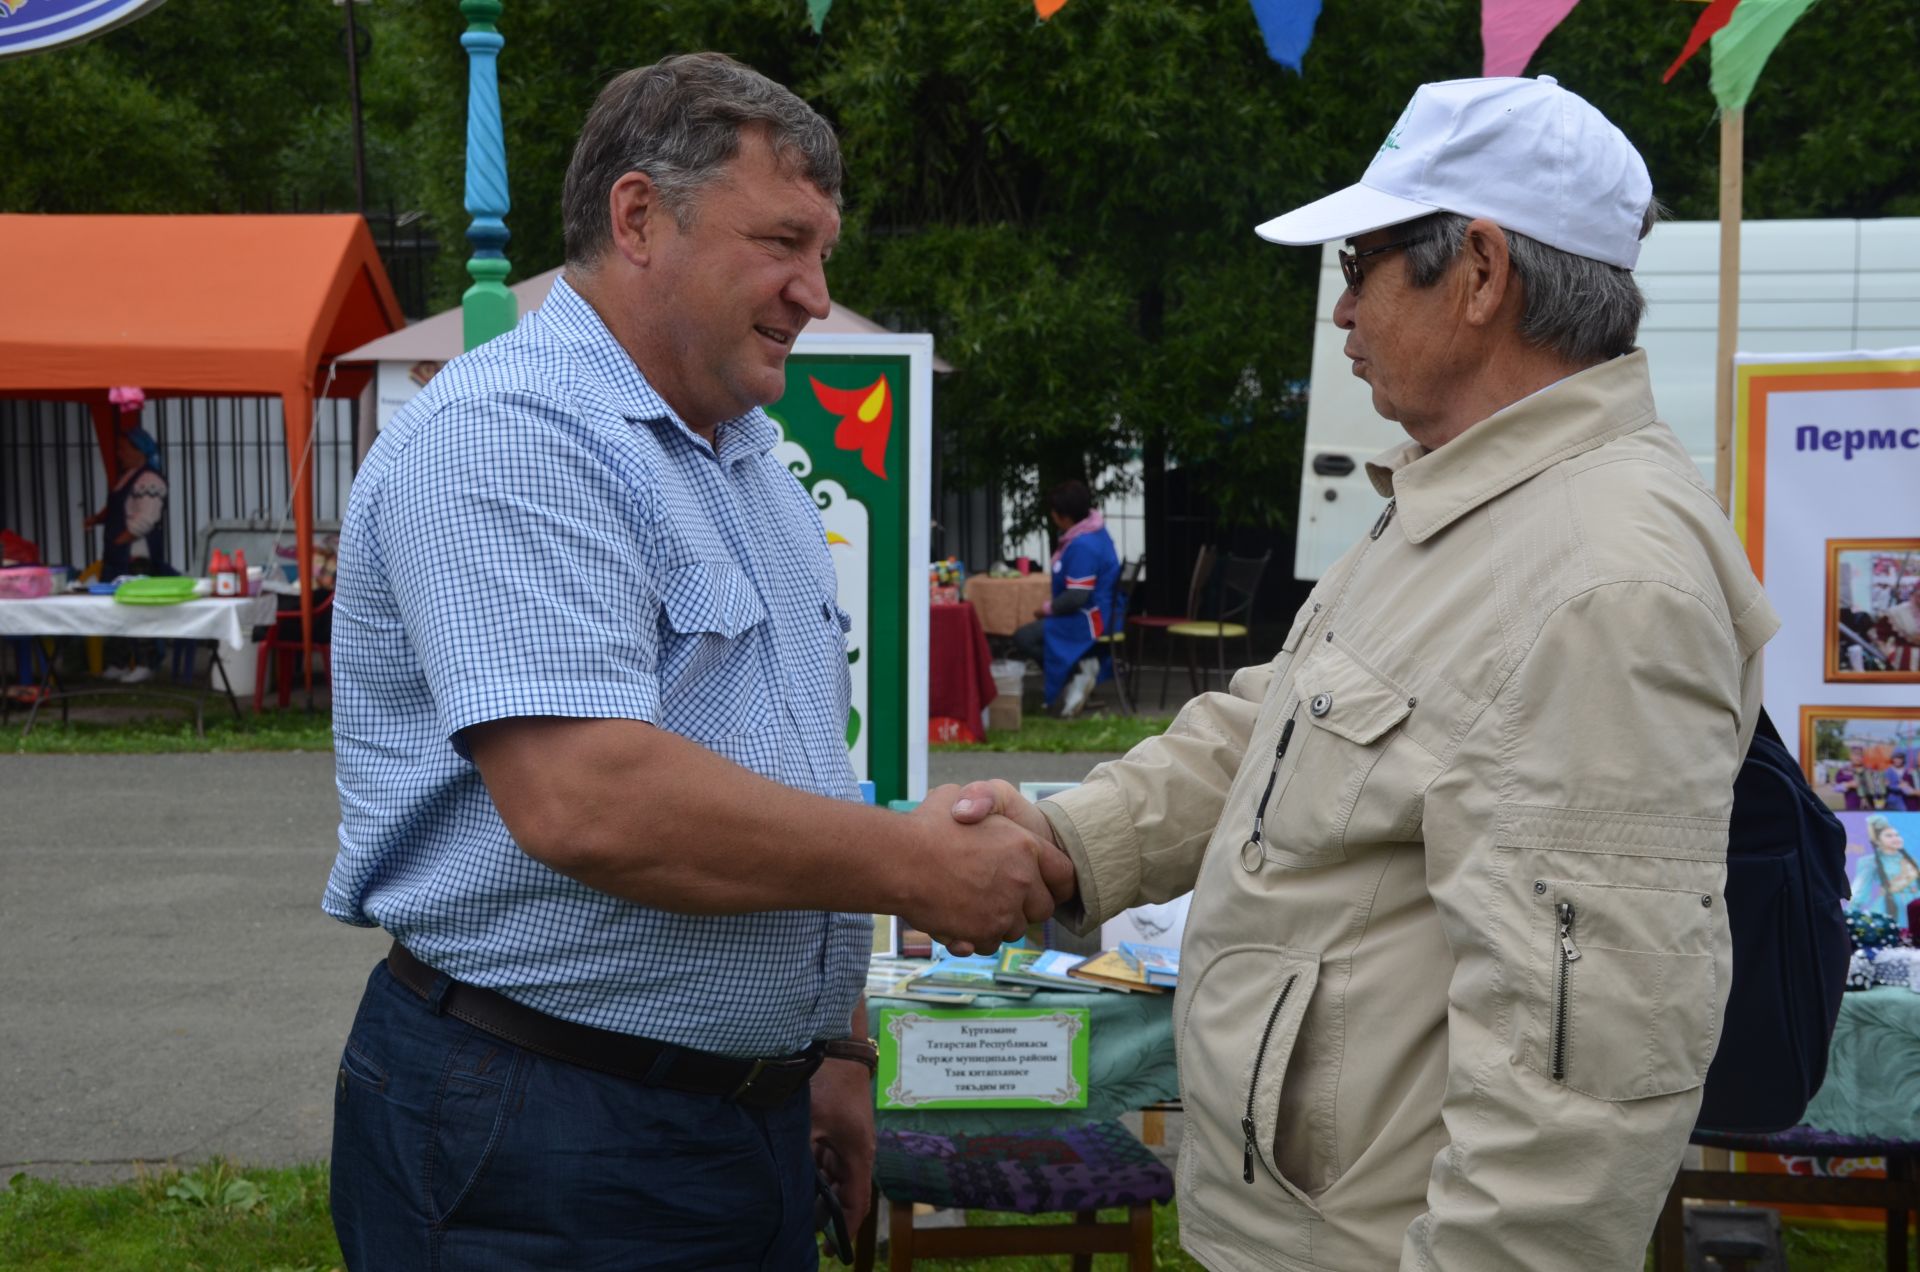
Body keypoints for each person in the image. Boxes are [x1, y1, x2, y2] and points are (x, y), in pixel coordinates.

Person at [950, 75, 1778, 1270]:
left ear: (1483, 274)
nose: (1341, 312)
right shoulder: (1477, 499)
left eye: (1360, 263)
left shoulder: (1604, 579)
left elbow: (1582, 1088)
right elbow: (1276, 722)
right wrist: (1067, 841)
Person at [323, 53, 1071, 1271]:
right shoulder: (505, 436)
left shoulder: (745, 465)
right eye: (784, 242)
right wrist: (912, 869)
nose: (815, 295)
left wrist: (825, 1046)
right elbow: (589, 798)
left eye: (822, 252)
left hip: (726, 1117)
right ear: (637, 218)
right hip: (542, 1123)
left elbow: (790, 773)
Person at [1011, 479, 1121, 718]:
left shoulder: (1083, 545)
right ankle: (1075, 674)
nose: (1051, 517)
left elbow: (1076, 597)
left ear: (1065, 517)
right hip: (1102, 611)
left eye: (1053, 512)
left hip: (1090, 618)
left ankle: (1074, 674)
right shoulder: (1094, 532)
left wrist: (1047, 609)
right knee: (1032, 633)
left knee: (1024, 637)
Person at [84, 422, 170, 683]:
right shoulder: (127, 476)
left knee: (137, 610)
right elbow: (117, 508)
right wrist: (97, 519)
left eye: (123, 448)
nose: (119, 454)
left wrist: (122, 539)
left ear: (139, 451)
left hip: (135, 557)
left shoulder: (149, 480)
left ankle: (146, 661)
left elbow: (146, 519)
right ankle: (119, 661)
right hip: (117, 556)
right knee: (115, 611)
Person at [1851, 815, 1920, 921]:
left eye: (1897, 835)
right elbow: (1859, 891)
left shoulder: (1912, 860)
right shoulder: (1869, 862)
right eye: (1889, 836)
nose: (1896, 838)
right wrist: (1850, 916)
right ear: (1878, 841)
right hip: (1890, 908)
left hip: (1915, 909)